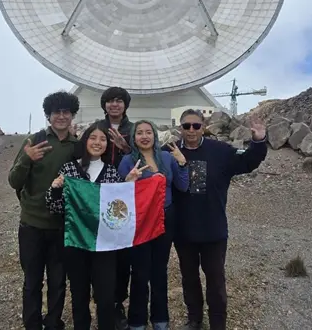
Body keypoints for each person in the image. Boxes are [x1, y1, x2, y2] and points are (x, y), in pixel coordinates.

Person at [167, 109, 267, 330]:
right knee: (189, 278)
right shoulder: (170, 151)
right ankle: (194, 319)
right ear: (180, 128)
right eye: (186, 126)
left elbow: (247, 162)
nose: (191, 130)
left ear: (203, 127)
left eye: (196, 126)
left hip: (213, 230)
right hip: (183, 231)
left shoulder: (220, 151)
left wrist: (258, 142)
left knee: (215, 280)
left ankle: (218, 323)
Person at [45, 123, 143, 330]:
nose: (98, 142)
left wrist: (127, 183)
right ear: (85, 141)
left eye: (103, 139)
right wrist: (55, 189)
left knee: (106, 296)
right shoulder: (69, 169)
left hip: (104, 246)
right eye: (93, 138)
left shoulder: (111, 172)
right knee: (79, 295)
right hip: (76, 243)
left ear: (107, 145)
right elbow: (55, 208)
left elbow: (118, 208)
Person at [8, 91, 80, 330]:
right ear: (48, 115)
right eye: (56, 112)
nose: (61, 116)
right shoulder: (34, 141)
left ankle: (53, 323)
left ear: (72, 115)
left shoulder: (76, 147)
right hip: (32, 224)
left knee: (58, 281)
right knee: (32, 281)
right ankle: (32, 323)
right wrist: (26, 159)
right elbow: (14, 181)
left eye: (66, 112)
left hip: (62, 225)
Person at [118, 120, 190, 330]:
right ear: (134, 138)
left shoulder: (167, 158)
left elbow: (182, 186)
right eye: (139, 133)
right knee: (140, 272)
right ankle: (137, 321)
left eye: (148, 132)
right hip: (140, 221)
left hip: (165, 218)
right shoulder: (127, 161)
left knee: (159, 270)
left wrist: (182, 164)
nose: (144, 136)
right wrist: (129, 180)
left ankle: (160, 319)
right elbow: (120, 196)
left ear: (155, 135)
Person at [96, 86, 134, 330]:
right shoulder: (96, 128)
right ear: (104, 105)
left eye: (119, 101)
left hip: (125, 198)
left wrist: (125, 149)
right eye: (110, 101)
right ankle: (102, 301)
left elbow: (142, 156)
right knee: (100, 252)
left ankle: (118, 302)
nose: (114, 105)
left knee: (122, 255)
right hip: (98, 195)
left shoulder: (134, 129)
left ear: (125, 105)